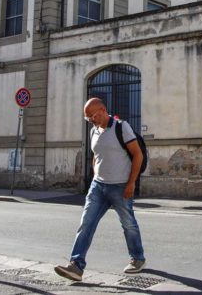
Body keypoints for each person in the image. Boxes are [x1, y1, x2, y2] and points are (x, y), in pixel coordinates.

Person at [54, 98, 146, 281]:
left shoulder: (122, 127)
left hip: (120, 186)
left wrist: (131, 183)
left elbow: (138, 155)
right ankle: (76, 266)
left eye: (93, 116)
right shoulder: (93, 131)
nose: (91, 120)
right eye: (88, 119)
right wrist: (97, 173)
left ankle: (138, 258)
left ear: (103, 111)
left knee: (128, 224)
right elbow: (96, 156)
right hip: (98, 186)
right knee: (86, 223)